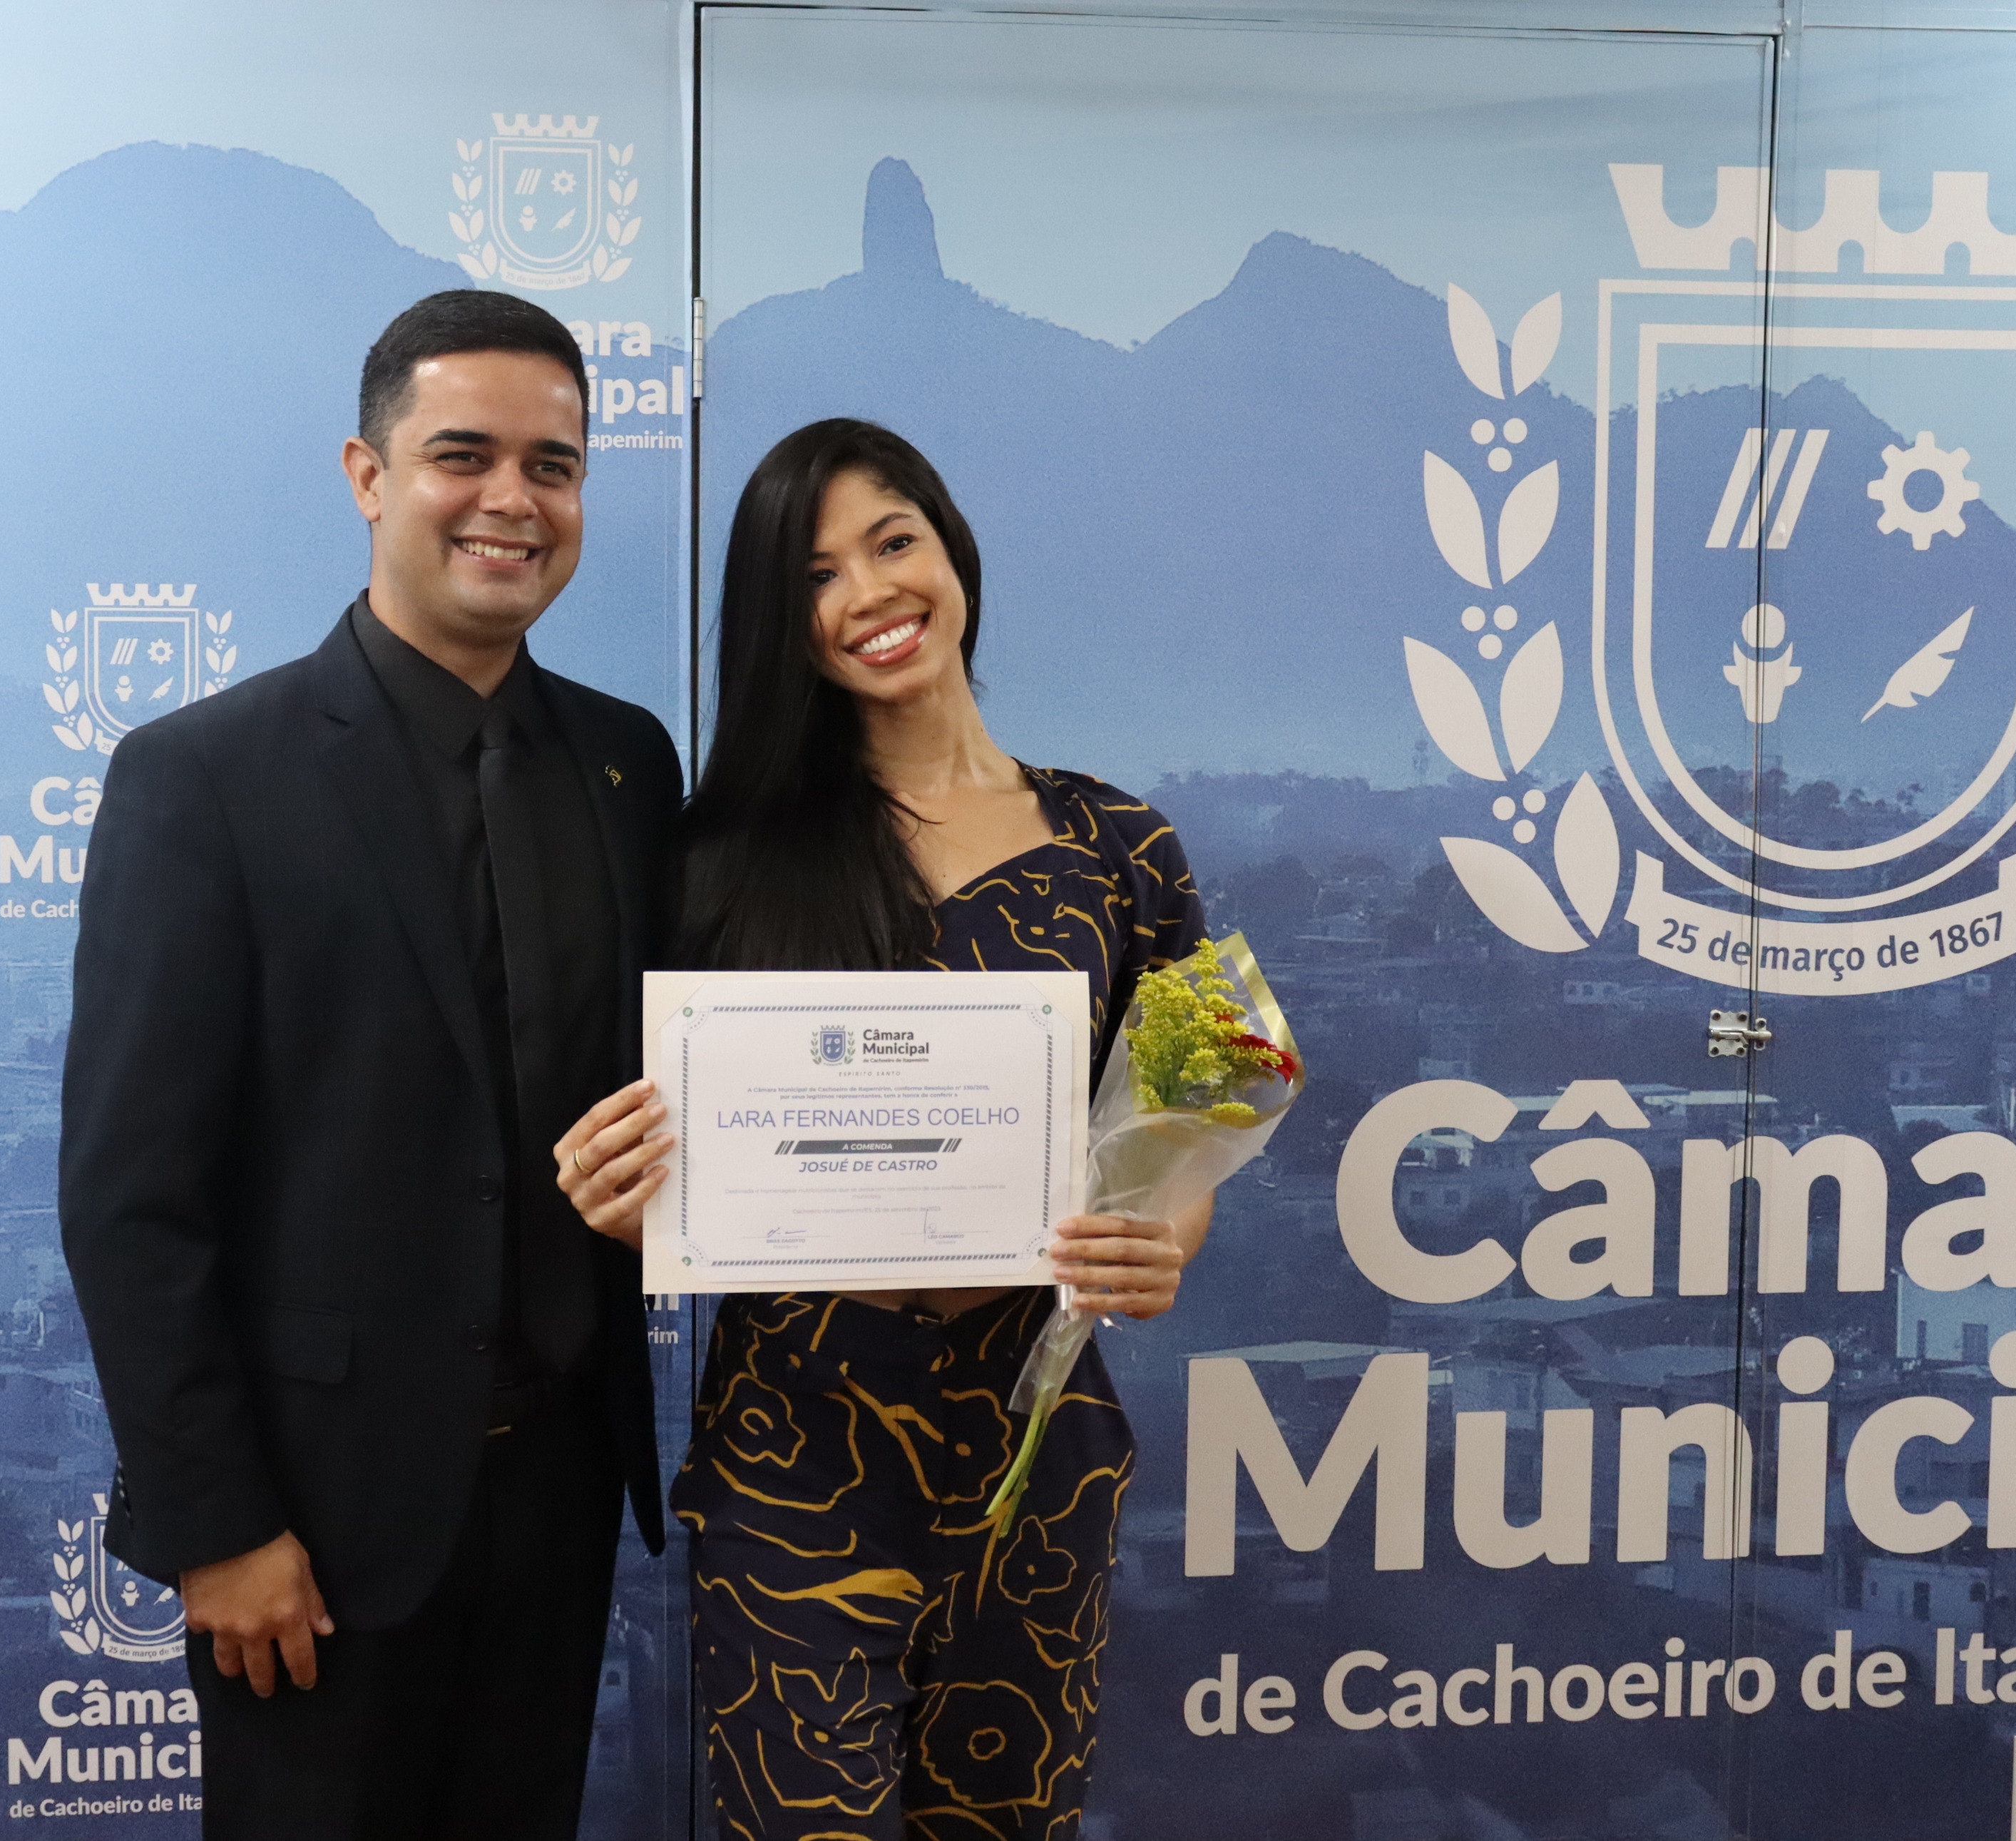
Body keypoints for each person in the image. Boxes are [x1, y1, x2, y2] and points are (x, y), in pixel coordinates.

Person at [59, 288, 679, 1840]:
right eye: (463, 455)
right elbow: (131, 1197)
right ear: (367, 475)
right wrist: (217, 1523)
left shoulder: (628, 763)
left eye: (553, 465)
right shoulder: (204, 776)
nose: (511, 499)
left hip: (562, 1497)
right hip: (309, 1526)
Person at [556, 418, 1209, 1840]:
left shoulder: (1125, 844)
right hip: (794, 1458)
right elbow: (630, 1126)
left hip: (1036, 1455)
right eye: (815, 574)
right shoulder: (716, 859)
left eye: (892, 541)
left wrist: (1159, 1238)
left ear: (951, 549)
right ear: (778, 623)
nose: (868, 591)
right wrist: (611, 1185)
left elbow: (1200, 1110)